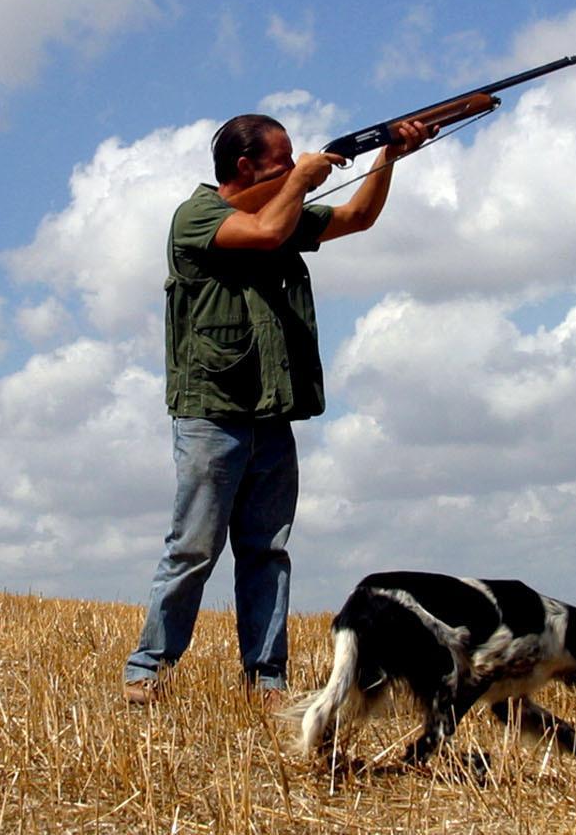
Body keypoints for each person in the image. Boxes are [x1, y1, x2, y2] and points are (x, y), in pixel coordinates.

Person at [122, 112, 429, 705]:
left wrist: (387, 156)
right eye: (282, 161)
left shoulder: (280, 209)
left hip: (271, 411)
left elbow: (358, 217)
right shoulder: (196, 216)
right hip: (211, 412)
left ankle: (266, 679)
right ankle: (148, 668)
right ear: (245, 166)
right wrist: (302, 180)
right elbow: (264, 232)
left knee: (267, 552)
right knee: (193, 548)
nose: (294, 167)